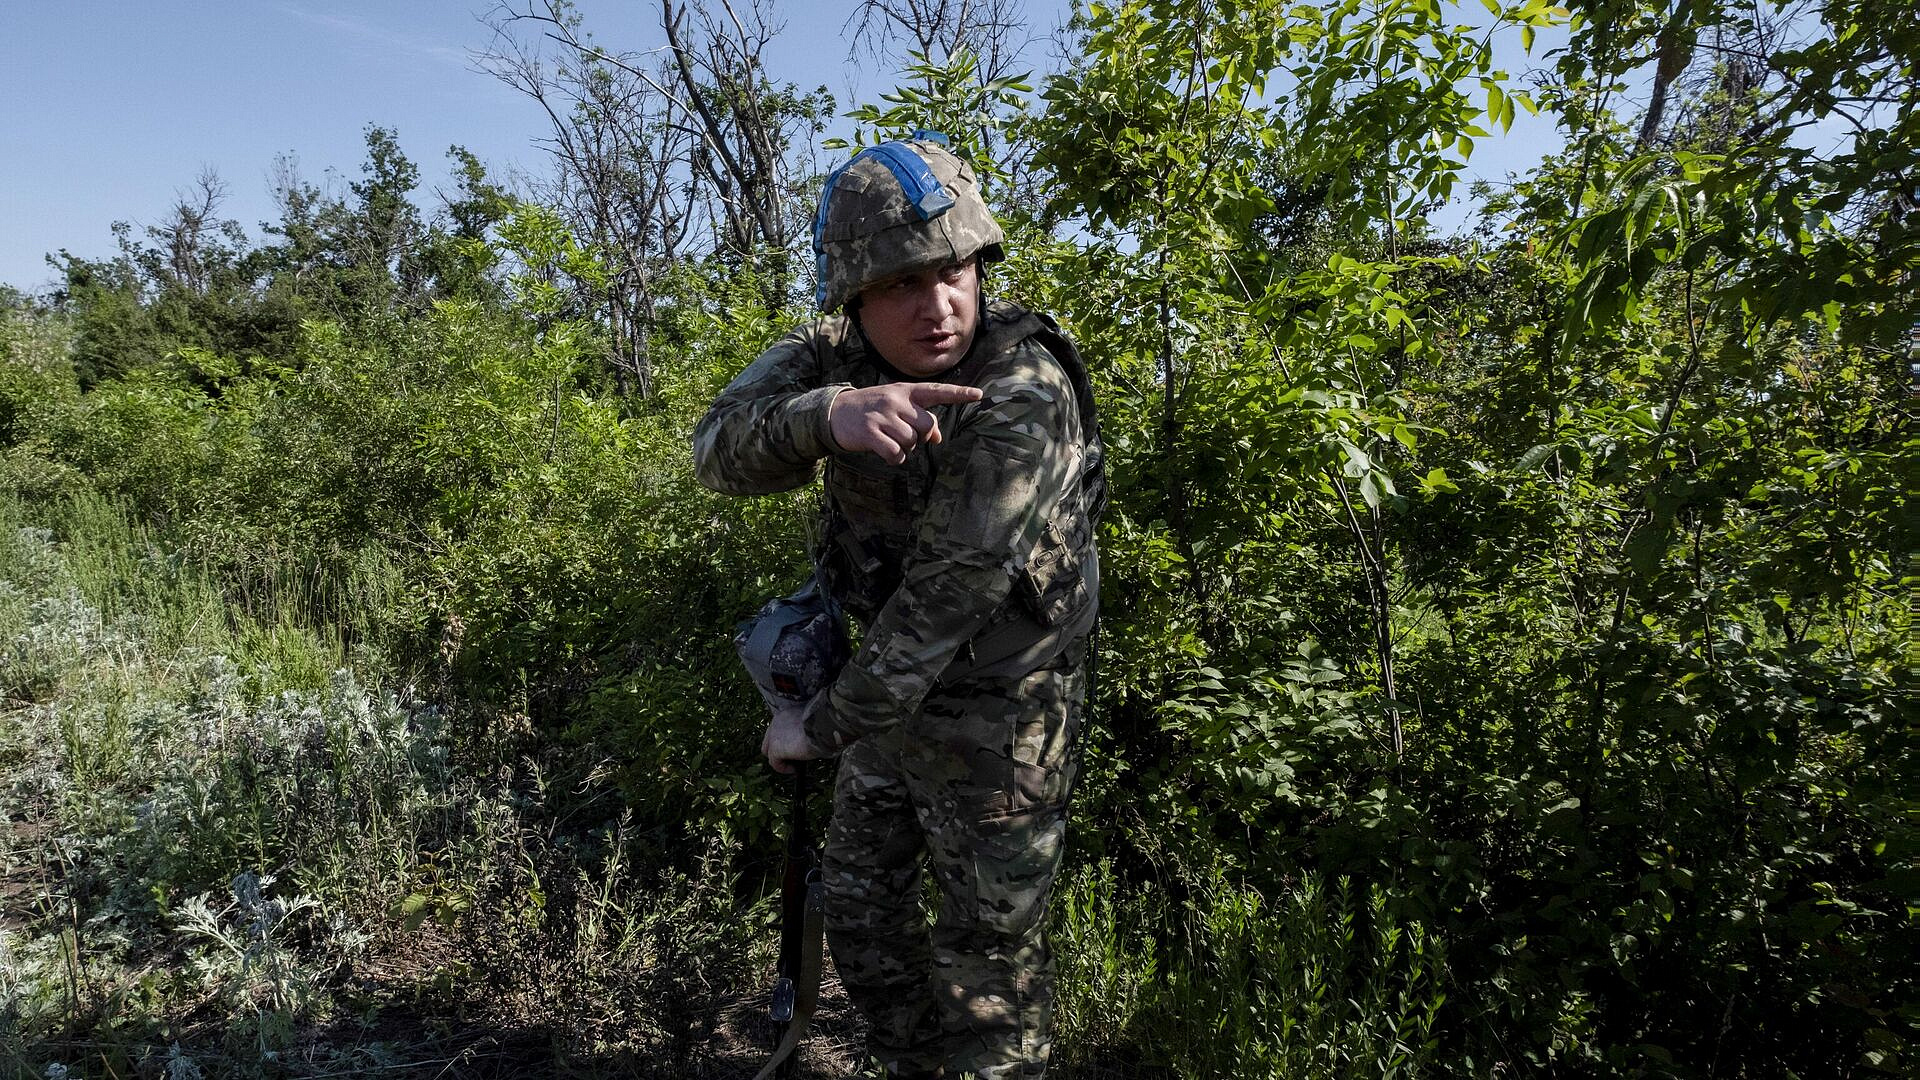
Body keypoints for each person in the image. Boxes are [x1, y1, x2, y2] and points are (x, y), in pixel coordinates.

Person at [692, 134, 1102, 1079]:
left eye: (954, 269)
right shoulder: (831, 355)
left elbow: (949, 599)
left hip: (1003, 713)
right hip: (888, 695)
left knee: (985, 971)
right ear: (855, 299)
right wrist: (822, 417)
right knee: (867, 926)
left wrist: (813, 727)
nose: (940, 303)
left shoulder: (1021, 388)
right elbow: (714, 449)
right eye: (903, 285)